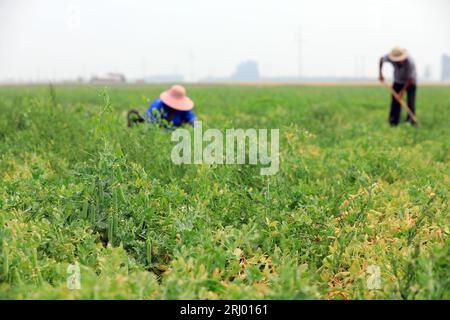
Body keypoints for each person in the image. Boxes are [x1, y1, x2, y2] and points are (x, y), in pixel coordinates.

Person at [379, 47, 417, 127]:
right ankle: (393, 121)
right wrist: (380, 73)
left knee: (410, 102)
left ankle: (411, 121)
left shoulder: (410, 62)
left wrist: (402, 92)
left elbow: (410, 79)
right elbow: (381, 59)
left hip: (410, 83)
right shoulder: (390, 57)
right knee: (395, 102)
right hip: (397, 81)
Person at [127, 85, 196, 128]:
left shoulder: (183, 109)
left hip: (175, 131)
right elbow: (149, 121)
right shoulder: (158, 105)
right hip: (158, 129)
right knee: (135, 115)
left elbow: (193, 120)